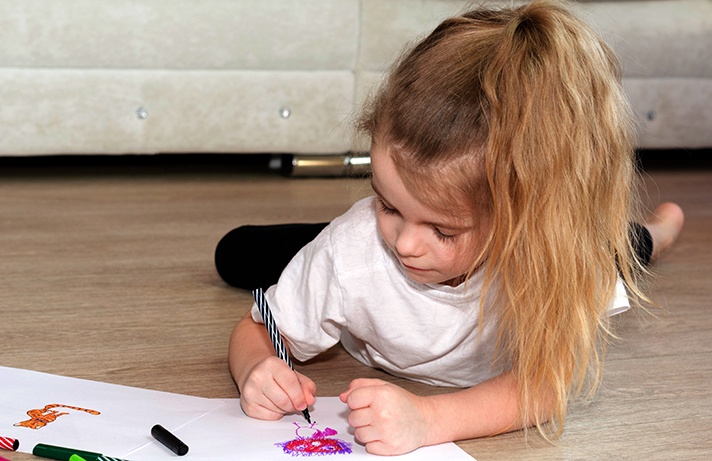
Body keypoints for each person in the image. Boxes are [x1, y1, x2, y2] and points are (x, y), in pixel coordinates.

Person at [221, 1, 685, 455]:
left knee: (627, 247)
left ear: (526, 222)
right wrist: (256, 370)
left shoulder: (560, 253)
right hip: (351, 250)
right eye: (388, 202)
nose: (405, 244)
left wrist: (430, 420)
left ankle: (659, 229)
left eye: (442, 230)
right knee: (249, 253)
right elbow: (256, 331)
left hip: (592, 243)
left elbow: (547, 387)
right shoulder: (356, 247)